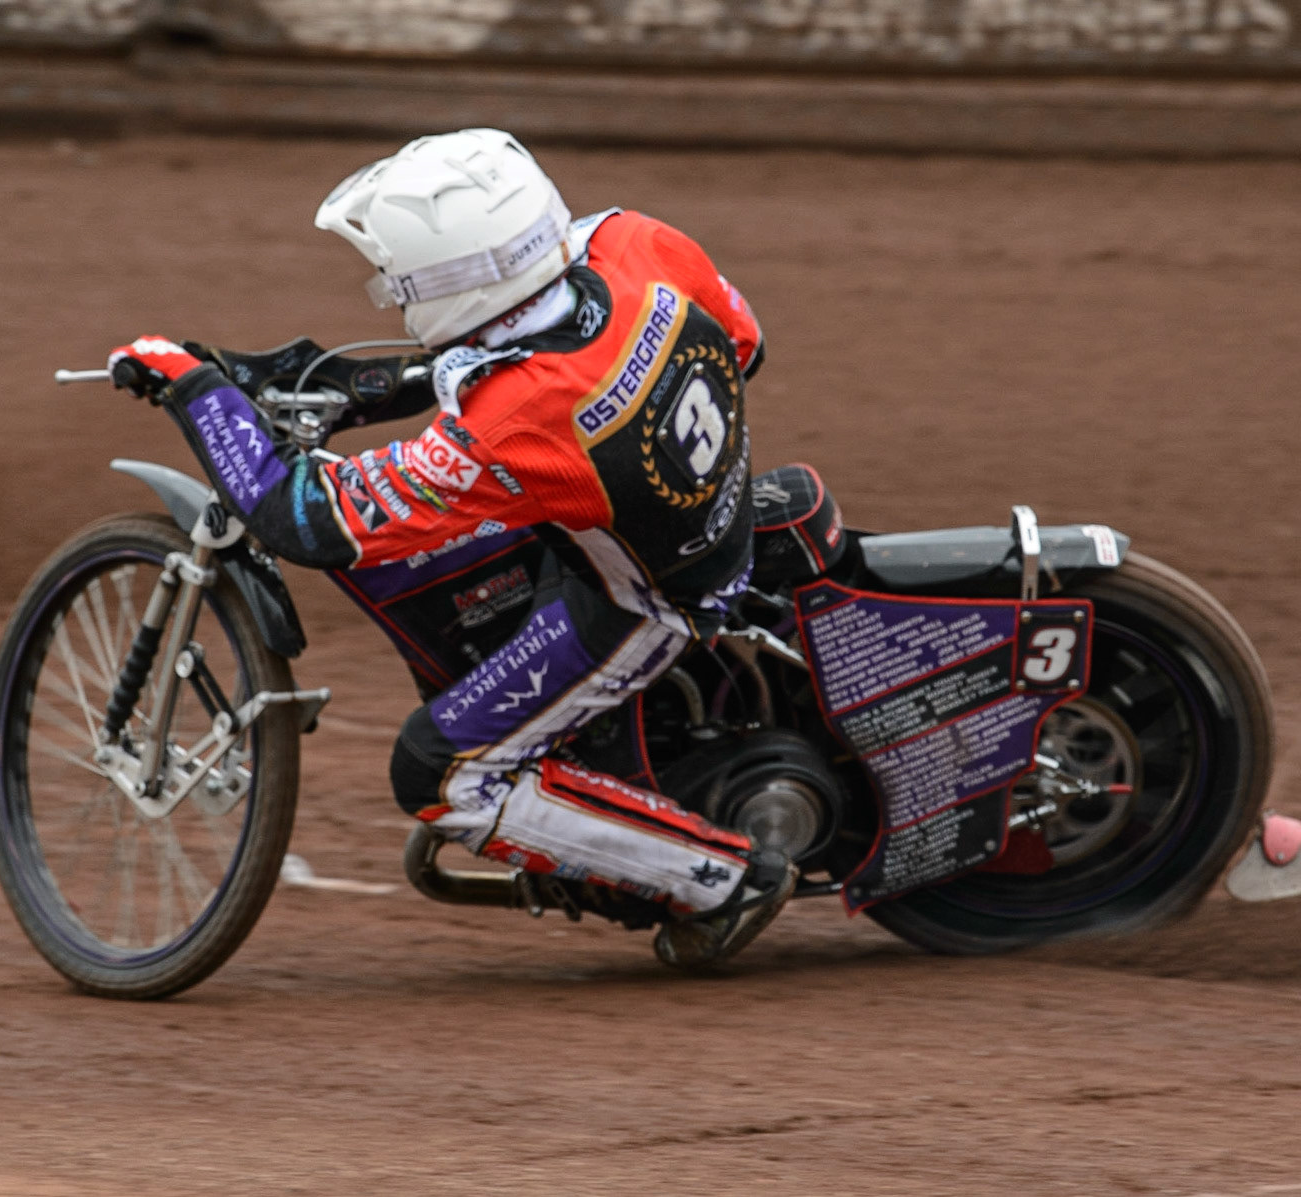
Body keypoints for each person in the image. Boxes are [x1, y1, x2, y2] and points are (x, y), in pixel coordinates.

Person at [107, 128, 794, 968]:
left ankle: (719, 881)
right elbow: (744, 343)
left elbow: (310, 519)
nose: (393, 297)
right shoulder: (633, 241)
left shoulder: (516, 422)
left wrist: (197, 390)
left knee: (436, 772)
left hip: (639, 605)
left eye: (400, 281)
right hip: (699, 512)